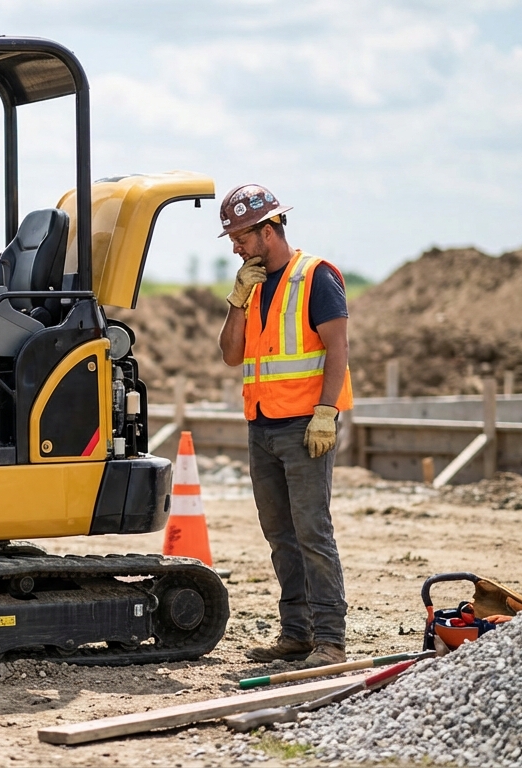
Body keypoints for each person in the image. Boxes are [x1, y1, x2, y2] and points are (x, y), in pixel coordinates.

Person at [215, 184, 354, 668]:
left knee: (312, 530)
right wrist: (237, 299)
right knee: (280, 534)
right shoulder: (251, 288)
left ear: (269, 229)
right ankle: (296, 633)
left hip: (306, 425)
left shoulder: (315, 277)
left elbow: (337, 350)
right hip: (263, 425)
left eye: (241, 236)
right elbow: (232, 355)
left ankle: (330, 640)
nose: (235, 245)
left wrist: (326, 412)